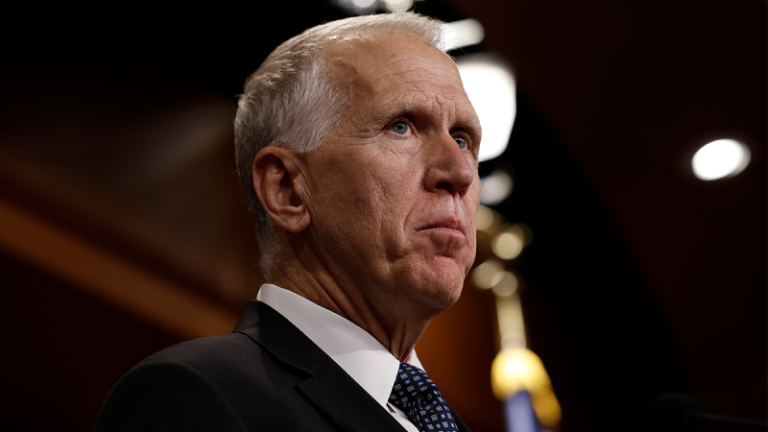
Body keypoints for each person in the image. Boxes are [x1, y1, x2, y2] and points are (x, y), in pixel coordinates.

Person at [95, 11, 481, 432]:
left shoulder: (448, 425)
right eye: (401, 127)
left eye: (462, 138)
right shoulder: (196, 395)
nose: (460, 172)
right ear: (288, 191)